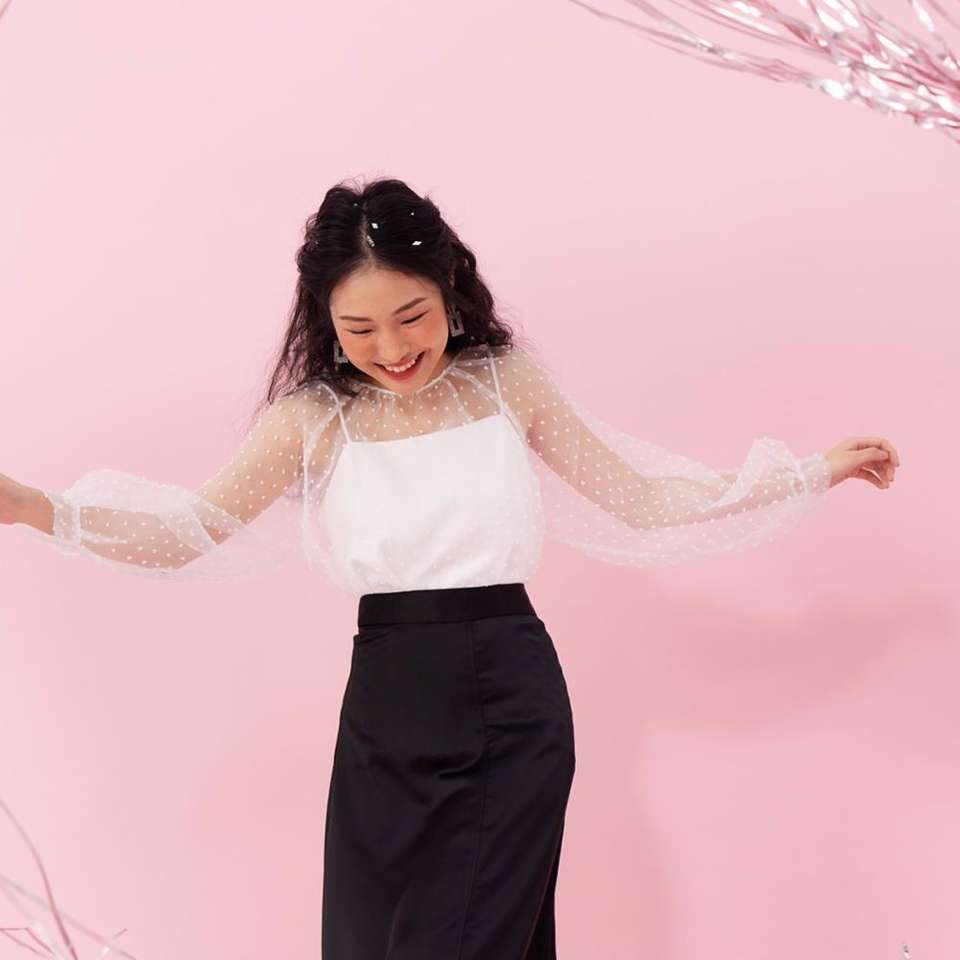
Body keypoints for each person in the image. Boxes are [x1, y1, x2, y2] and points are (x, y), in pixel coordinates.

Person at [1, 177, 899, 959]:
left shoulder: (507, 385)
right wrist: (33, 505)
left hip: (509, 705)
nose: (392, 348)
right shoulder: (311, 419)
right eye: (359, 328)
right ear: (325, 323)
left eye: (412, 316)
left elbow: (643, 501)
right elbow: (189, 531)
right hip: (383, 717)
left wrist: (807, 473)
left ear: (450, 290)